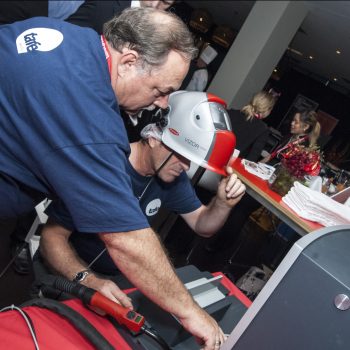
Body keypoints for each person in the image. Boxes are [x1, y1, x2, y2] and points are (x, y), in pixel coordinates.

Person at [0, 8, 228, 348]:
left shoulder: (69, 37)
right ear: (129, 62)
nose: (162, 103)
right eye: (159, 89)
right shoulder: (91, 119)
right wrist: (192, 313)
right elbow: (125, 239)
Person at [37, 92, 245, 301]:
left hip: (118, 278)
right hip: (72, 271)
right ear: (154, 138)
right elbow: (51, 238)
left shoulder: (172, 176)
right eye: (181, 156)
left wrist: (223, 204)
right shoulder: (105, 166)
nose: (185, 167)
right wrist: (89, 281)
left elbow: (202, 225)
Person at [206, 109, 321, 254]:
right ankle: (217, 237)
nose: (291, 123)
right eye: (293, 120)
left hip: (275, 187)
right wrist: (256, 165)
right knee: (236, 200)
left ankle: (221, 245)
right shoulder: (289, 137)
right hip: (264, 178)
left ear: (305, 127)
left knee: (242, 207)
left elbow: (292, 174)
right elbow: (273, 157)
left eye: (296, 122)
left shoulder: (304, 149)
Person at [66, 0, 176, 34]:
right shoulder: (104, 4)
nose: (155, 4)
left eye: (165, 2)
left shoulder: (156, 29)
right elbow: (66, 32)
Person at [228, 90, 278, 162]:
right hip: (230, 167)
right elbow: (251, 159)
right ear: (267, 109)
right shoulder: (263, 130)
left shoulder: (231, 112)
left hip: (211, 157)